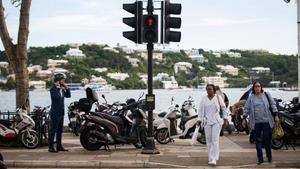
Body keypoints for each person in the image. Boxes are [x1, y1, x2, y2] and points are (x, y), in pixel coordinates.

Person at [242, 81, 280, 164]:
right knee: (258, 141)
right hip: (256, 123)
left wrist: (276, 115)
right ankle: (260, 158)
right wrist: (244, 118)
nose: (257, 88)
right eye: (256, 86)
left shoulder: (266, 95)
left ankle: (269, 156)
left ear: (261, 87)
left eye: (259, 86)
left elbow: (273, 105)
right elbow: (247, 108)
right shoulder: (251, 97)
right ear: (253, 88)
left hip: (267, 121)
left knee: (267, 140)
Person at [197, 84, 229, 166]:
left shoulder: (218, 98)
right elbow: (200, 111)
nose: (209, 91)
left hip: (217, 122)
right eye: (207, 89)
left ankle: (214, 159)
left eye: (210, 89)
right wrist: (199, 120)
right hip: (207, 122)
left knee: (215, 140)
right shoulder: (204, 99)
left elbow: (224, 108)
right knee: (209, 140)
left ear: (214, 90)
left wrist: (225, 119)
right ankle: (210, 158)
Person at [48, 73, 71, 153]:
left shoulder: (62, 88)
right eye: (62, 80)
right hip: (55, 113)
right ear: (58, 80)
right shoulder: (53, 89)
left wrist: (66, 88)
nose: (64, 81)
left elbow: (68, 95)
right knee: (53, 130)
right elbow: (56, 98)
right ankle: (50, 147)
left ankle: (59, 146)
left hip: (61, 112)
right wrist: (58, 89)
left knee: (59, 131)